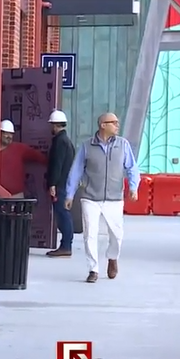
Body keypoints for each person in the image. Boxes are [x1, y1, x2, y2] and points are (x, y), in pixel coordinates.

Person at [65, 112, 140, 283]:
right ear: (102, 125)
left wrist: (133, 188)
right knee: (90, 234)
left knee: (116, 235)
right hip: (90, 197)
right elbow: (76, 171)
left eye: (117, 122)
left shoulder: (123, 145)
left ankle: (112, 258)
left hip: (114, 198)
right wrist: (70, 194)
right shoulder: (87, 146)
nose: (117, 125)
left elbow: (132, 168)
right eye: (113, 122)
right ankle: (93, 269)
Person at [45, 110, 76, 257]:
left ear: (55, 125)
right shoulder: (66, 141)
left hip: (60, 185)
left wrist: (52, 184)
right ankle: (66, 244)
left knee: (63, 214)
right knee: (64, 213)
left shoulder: (59, 142)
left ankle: (65, 246)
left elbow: (56, 164)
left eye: (51, 125)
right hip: (65, 183)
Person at [0, 119, 48, 197]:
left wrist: (53, 164)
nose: (9, 136)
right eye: (6, 133)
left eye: (11, 134)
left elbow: (38, 156)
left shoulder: (20, 148)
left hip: (16, 197)